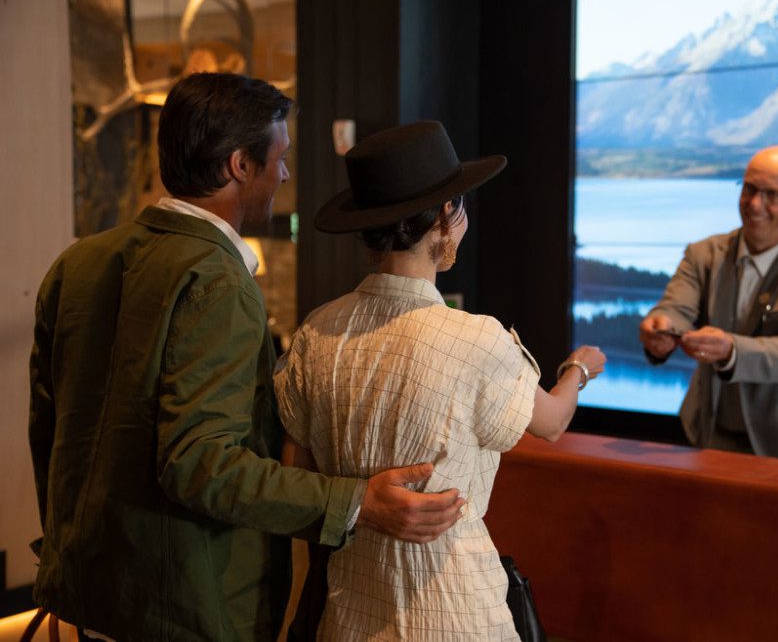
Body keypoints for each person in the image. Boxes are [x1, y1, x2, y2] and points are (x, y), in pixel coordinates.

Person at [28, 73, 464, 641]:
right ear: (239, 165)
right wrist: (357, 501)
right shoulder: (216, 280)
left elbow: (50, 433)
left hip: (89, 593)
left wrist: (69, 551)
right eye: (279, 158)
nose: (284, 174)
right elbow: (201, 463)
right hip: (185, 608)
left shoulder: (77, 262)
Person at [274, 120, 606, 640]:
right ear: (444, 217)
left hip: (348, 612)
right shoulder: (476, 339)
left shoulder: (316, 331)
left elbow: (303, 475)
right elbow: (552, 422)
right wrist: (578, 370)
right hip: (454, 610)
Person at [638, 145, 778, 463]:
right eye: (749, 188)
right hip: (709, 432)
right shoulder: (703, 254)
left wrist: (731, 350)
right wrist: (661, 327)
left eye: (772, 195)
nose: (755, 204)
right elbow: (675, 309)